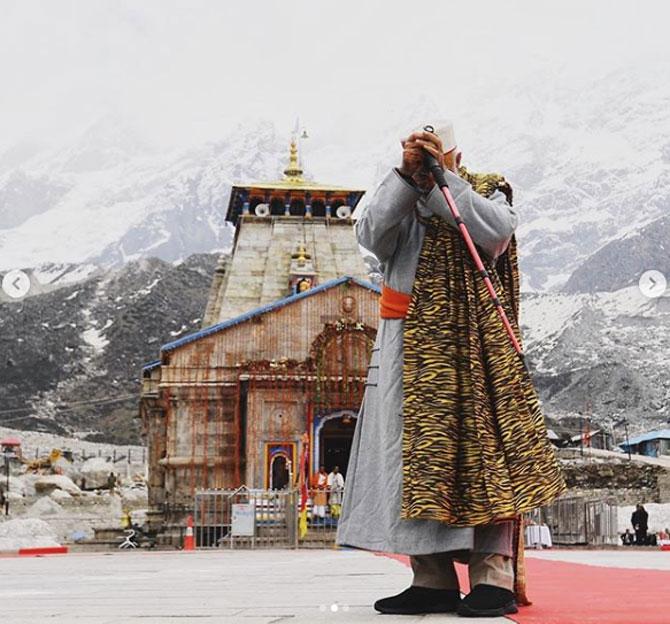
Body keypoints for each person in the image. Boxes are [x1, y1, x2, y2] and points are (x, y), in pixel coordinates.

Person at [335, 122, 566, 618]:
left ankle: (492, 574)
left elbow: (495, 235)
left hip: (474, 344)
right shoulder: (395, 193)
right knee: (412, 457)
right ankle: (431, 577)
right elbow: (371, 235)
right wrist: (406, 177)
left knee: (485, 456)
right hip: (407, 346)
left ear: (457, 151)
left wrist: (445, 180)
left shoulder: (486, 188)